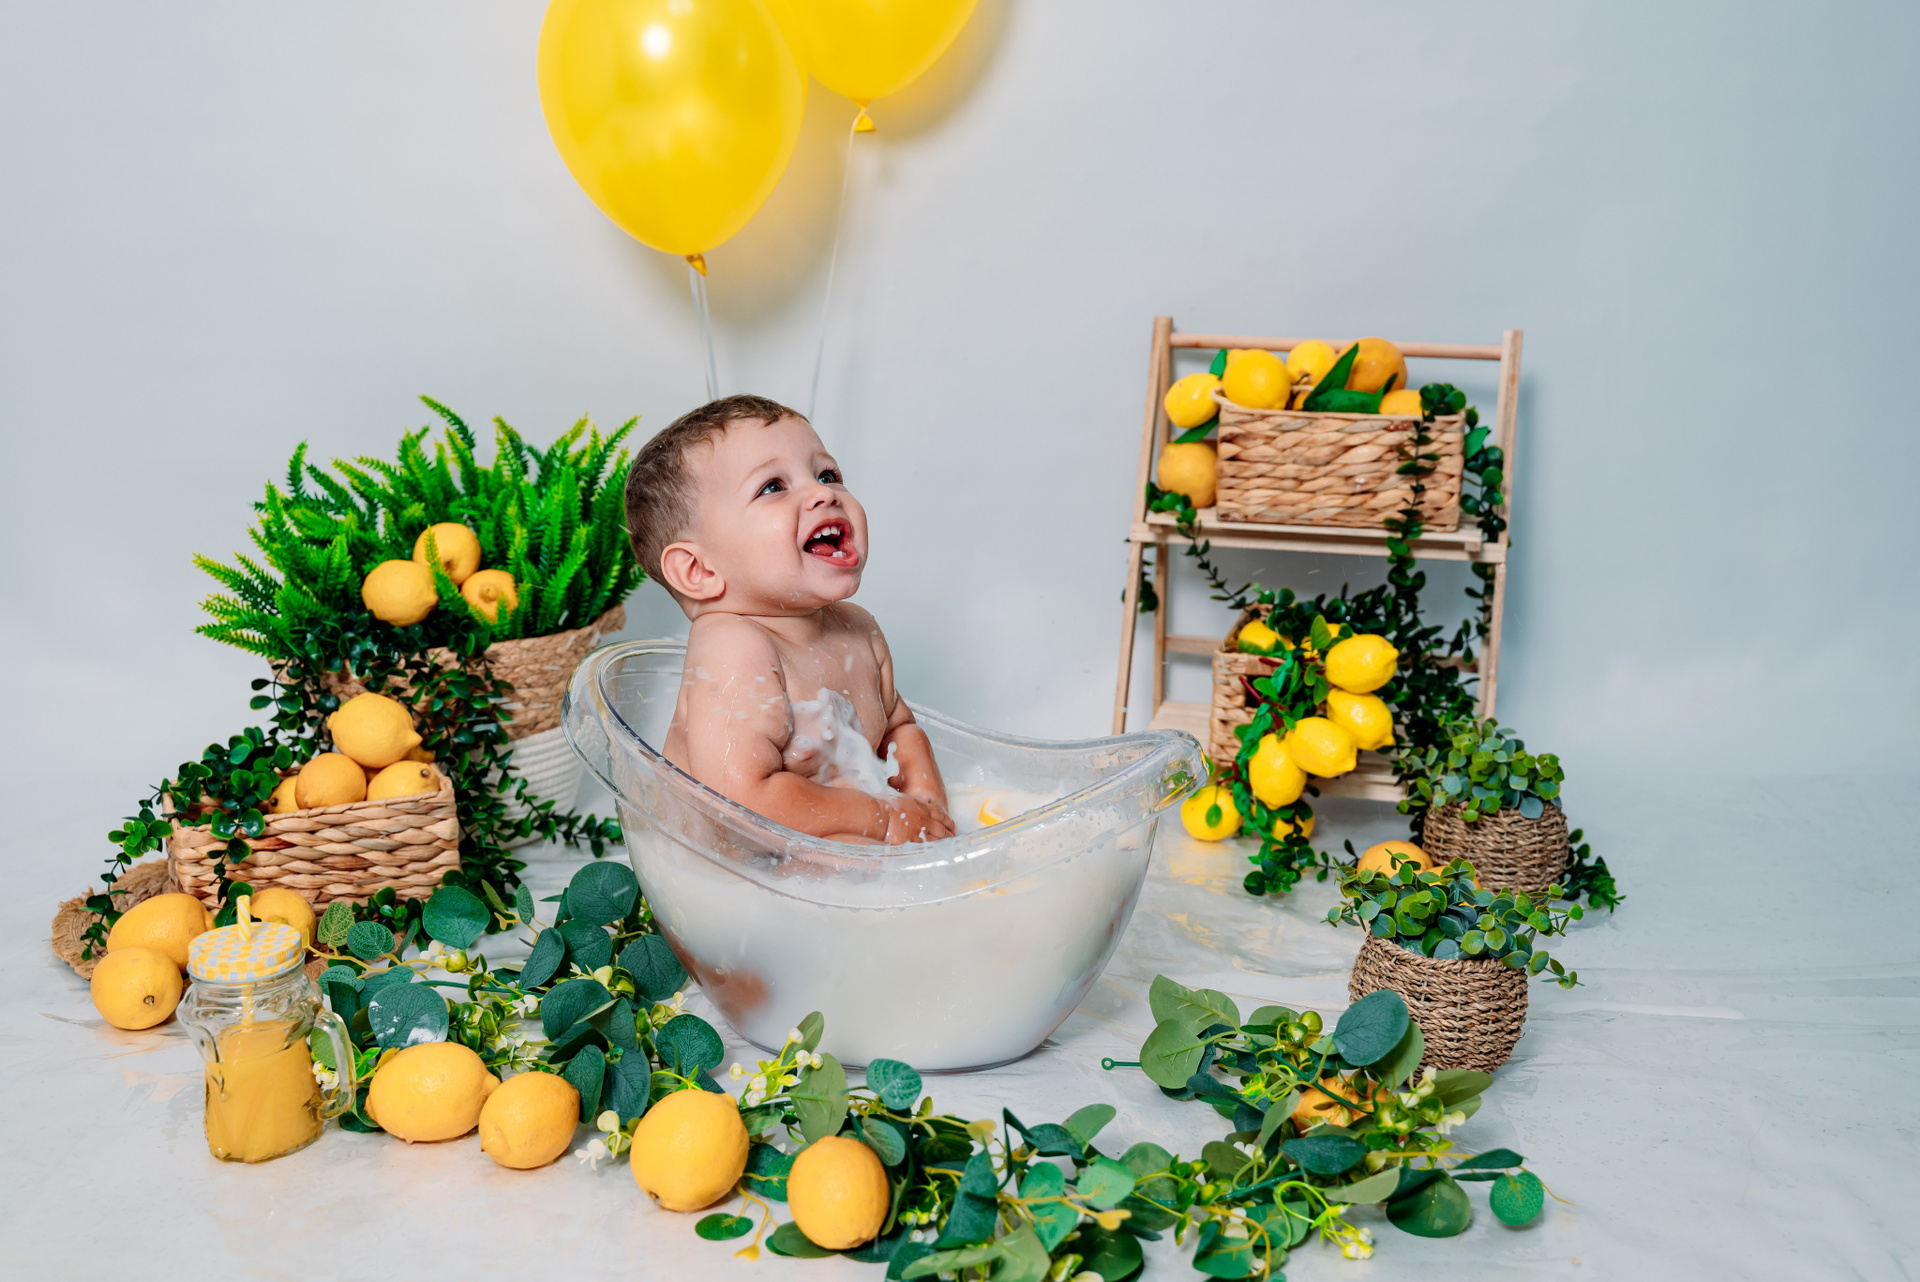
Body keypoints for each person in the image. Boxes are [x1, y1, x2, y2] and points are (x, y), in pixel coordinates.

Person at [623, 395, 953, 844]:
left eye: (827, 474)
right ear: (699, 570)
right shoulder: (732, 646)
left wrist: (927, 805)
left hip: (821, 850)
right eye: (772, 487)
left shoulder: (858, 628)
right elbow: (740, 803)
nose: (823, 493)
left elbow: (899, 730)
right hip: (734, 866)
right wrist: (884, 818)